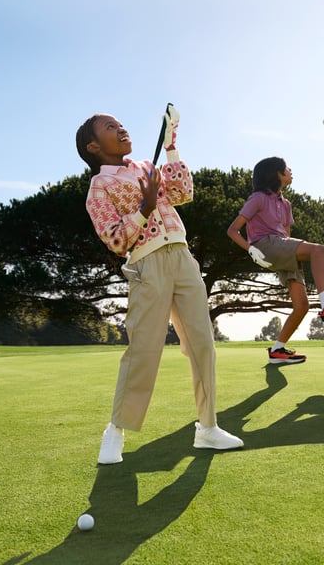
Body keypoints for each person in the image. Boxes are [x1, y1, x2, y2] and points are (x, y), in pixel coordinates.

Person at [76, 106, 243, 464]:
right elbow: (116, 240)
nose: (121, 129)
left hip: (182, 257)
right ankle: (116, 429)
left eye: (121, 124)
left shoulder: (147, 168)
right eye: (110, 127)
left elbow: (183, 193)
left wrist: (171, 148)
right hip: (146, 264)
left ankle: (208, 427)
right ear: (93, 146)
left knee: (202, 344)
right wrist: (145, 207)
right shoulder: (98, 187)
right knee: (144, 350)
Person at [227, 156, 324, 365]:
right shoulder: (258, 198)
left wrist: (291, 250)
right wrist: (251, 250)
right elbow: (233, 230)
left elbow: (286, 233)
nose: (290, 171)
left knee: (301, 306)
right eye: (286, 168)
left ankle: (277, 350)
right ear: (277, 174)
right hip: (265, 246)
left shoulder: (286, 204)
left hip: (281, 248)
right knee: (319, 251)